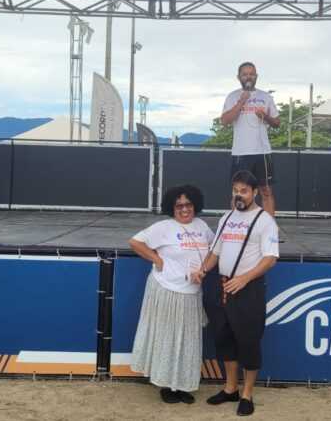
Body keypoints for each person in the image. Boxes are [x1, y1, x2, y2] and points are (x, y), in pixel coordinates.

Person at [192, 170, 279, 416]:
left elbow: (270, 258)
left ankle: (247, 394)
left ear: (253, 193)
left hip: (248, 288)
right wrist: (203, 270)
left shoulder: (265, 221)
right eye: (235, 190)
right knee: (224, 339)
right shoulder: (226, 218)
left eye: (243, 191)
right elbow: (216, 252)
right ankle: (230, 388)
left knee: (249, 342)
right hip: (222, 286)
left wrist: (244, 278)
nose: (238, 195)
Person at [129, 184, 214, 404]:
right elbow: (135, 242)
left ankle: (182, 384)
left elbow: (214, 251)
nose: (184, 209)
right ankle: (166, 385)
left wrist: (203, 270)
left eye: (188, 204)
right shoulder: (163, 227)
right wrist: (157, 260)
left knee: (187, 340)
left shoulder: (202, 226)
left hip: (192, 291)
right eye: (179, 205)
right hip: (167, 289)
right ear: (172, 207)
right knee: (167, 338)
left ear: (195, 205)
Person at [222, 62, 280, 216]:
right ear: (239, 77)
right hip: (241, 152)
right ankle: (236, 227)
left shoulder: (265, 97)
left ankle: (270, 230)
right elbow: (225, 121)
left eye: (251, 74)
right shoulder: (233, 96)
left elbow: (277, 123)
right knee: (239, 192)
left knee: (266, 191)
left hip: (263, 152)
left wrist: (265, 116)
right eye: (245, 74)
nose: (248, 77)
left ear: (256, 76)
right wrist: (241, 101)